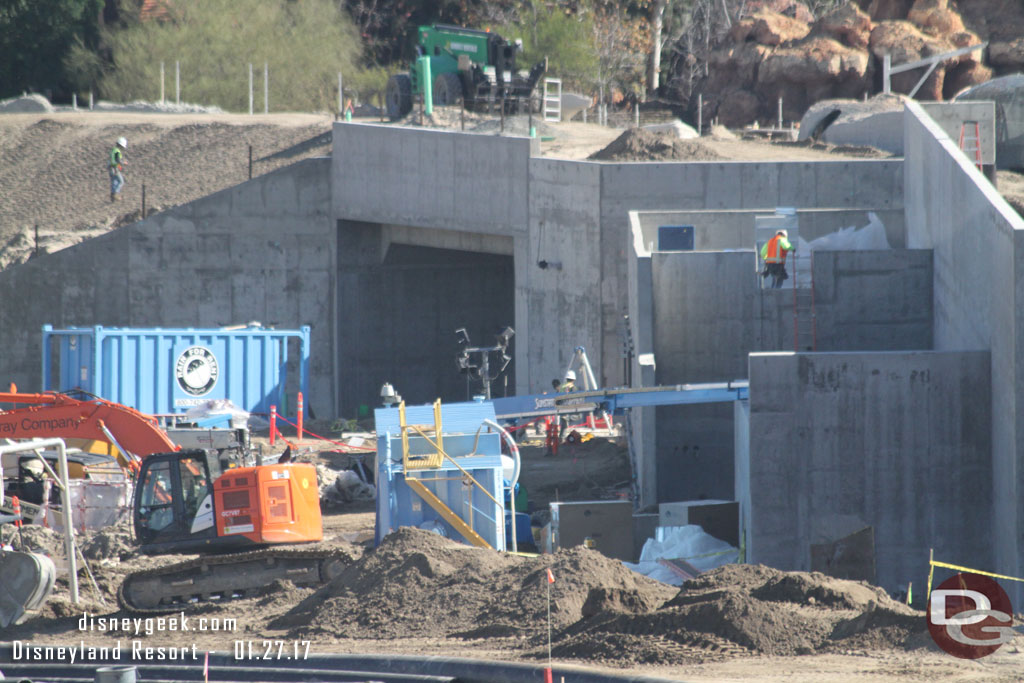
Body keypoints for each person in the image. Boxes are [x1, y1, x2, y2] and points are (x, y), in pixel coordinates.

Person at [109, 136, 127, 202]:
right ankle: (115, 194)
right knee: (121, 181)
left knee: (114, 182)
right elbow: (118, 160)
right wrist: (124, 163)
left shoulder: (113, 150)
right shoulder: (117, 151)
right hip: (115, 168)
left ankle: (112, 196)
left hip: (111, 168)